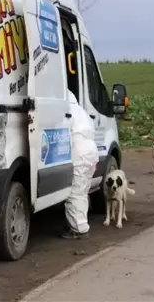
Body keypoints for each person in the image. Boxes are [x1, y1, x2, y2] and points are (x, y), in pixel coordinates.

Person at [62, 90, 99, 239]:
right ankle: (81, 223)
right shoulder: (81, 111)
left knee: (74, 192)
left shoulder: (67, 111)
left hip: (79, 153)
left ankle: (79, 229)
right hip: (91, 152)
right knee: (83, 190)